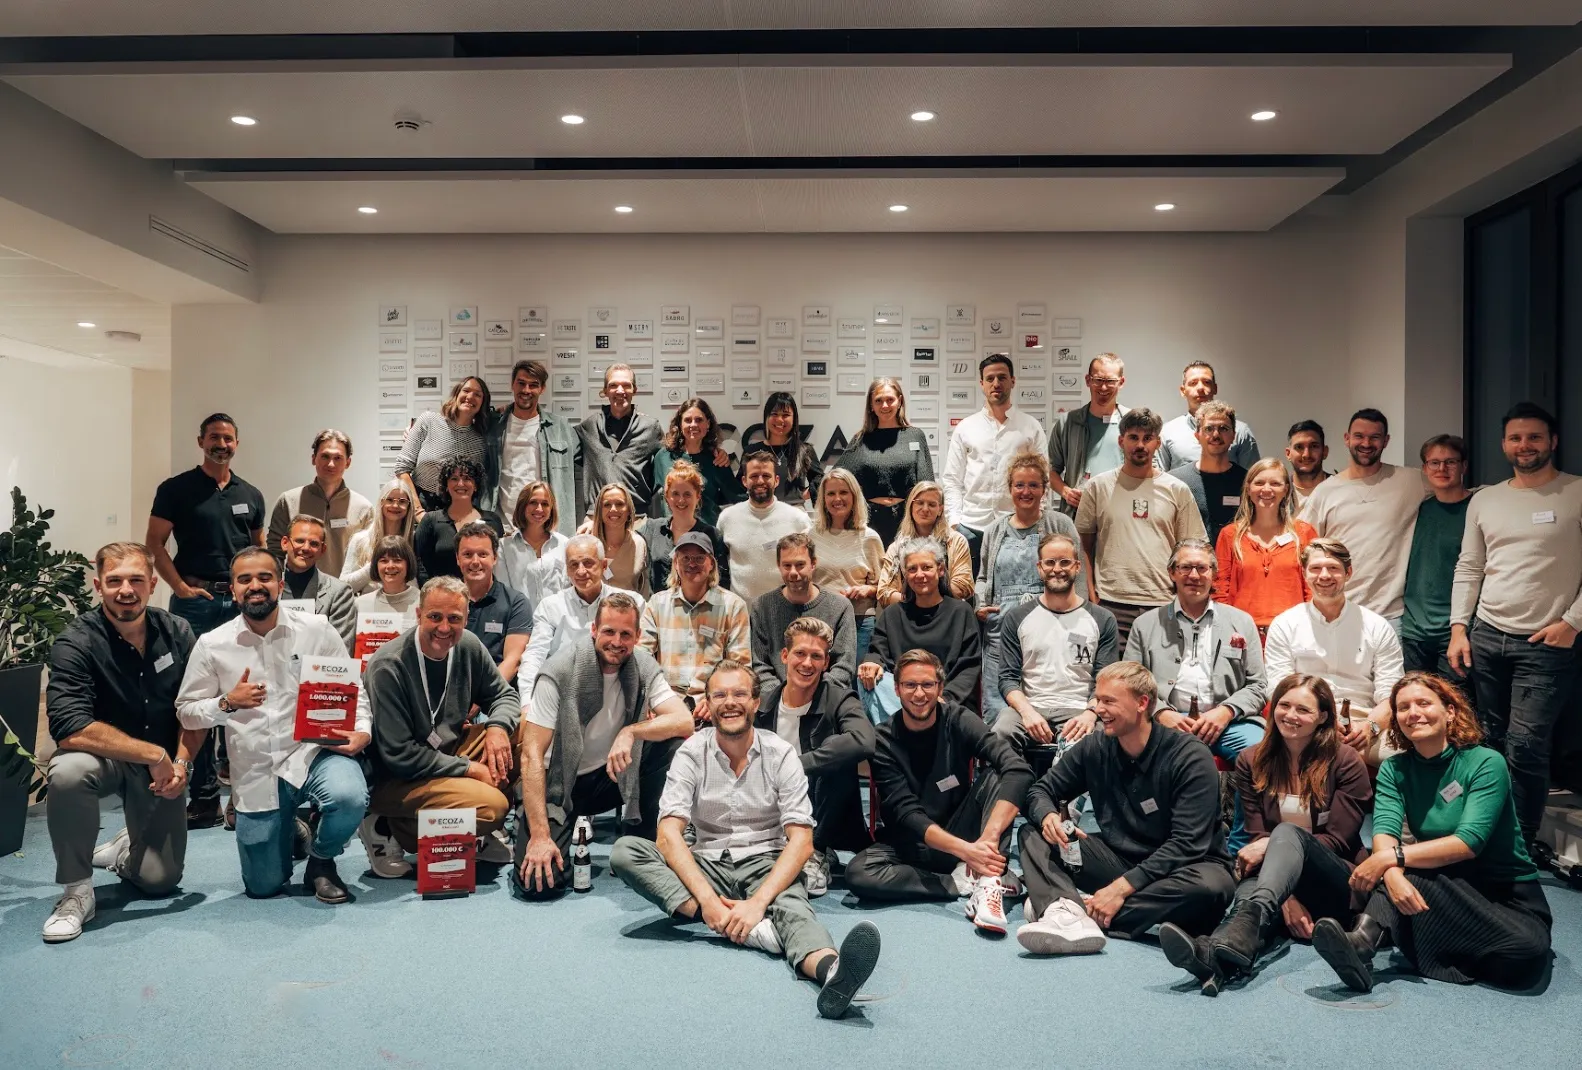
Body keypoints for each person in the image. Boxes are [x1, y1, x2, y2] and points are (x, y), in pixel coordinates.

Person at [609, 661, 882, 1020]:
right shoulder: (691, 753)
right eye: (719, 695)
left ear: (756, 702)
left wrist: (759, 902)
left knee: (794, 908)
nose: (730, 702)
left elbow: (800, 840)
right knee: (626, 851)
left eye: (739, 694)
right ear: (708, 703)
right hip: (707, 862)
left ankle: (833, 973)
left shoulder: (781, 754)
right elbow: (668, 834)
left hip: (766, 861)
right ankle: (750, 930)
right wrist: (709, 902)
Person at [1312, 673, 1551, 993]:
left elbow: (1469, 842)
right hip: (1440, 881)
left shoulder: (1484, 762)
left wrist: (1389, 859)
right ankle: (1362, 941)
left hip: (1505, 895)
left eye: (1424, 703)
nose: (1413, 712)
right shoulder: (1395, 769)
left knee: (1525, 956)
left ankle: (1410, 934)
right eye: (1403, 707)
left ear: (1450, 711)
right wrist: (1393, 872)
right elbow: (1384, 830)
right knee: (1407, 874)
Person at [175, 547, 370, 903]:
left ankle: (322, 861)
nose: (255, 585)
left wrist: (362, 730)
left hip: (313, 754)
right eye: (244, 579)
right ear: (232, 590)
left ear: (280, 584)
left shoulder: (316, 629)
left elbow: (350, 688)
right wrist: (227, 703)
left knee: (348, 796)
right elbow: (187, 712)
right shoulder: (212, 645)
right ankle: (291, 829)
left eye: (264, 577)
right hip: (258, 770)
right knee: (263, 886)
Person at [1158, 674, 1372, 991]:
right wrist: (1287, 897)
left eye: (1303, 709)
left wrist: (1277, 847)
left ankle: (1220, 943)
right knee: (1249, 901)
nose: (1290, 715)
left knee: (1283, 836)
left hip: (1335, 879)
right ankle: (1213, 957)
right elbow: (1257, 834)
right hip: (1275, 883)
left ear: (1323, 717)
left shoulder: (1346, 762)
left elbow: (1339, 840)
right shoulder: (1252, 760)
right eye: (1284, 705)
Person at [1016, 661, 1235, 955]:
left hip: (1184, 867)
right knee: (1033, 832)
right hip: (1118, 860)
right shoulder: (1095, 746)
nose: (1099, 709)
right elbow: (1040, 791)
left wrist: (1120, 889)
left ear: (1142, 703)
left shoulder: (1189, 756)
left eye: (1108, 701)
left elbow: (1187, 844)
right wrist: (1048, 815)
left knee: (1212, 888)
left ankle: (1072, 908)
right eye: (1096, 700)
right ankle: (1069, 910)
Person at [41, 543, 200, 943]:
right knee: (68, 770)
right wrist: (153, 753)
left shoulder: (178, 632)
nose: (125, 589)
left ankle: (126, 849)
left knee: (161, 881)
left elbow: (195, 709)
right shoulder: (75, 641)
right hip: (106, 760)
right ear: (98, 586)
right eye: (114, 581)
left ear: (152, 583)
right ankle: (77, 892)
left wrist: (181, 764)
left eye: (134, 580)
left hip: (160, 772)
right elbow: (67, 724)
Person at [1450, 402, 1582, 848]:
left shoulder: (1576, 492)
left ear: (1553, 442)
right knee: (1489, 741)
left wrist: (1573, 622)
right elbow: (1470, 566)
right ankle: (1485, 832)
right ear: (1504, 444)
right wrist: (1458, 628)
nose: (1524, 446)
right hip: (1487, 635)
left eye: (1534, 437)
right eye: (1515, 438)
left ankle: (1518, 848)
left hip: (1546, 642)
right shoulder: (1486, 498)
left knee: (1526, 747)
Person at [515, 592, 694, 899]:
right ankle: (533, 825)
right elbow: (531, 756)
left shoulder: (642, 664)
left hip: (608, 775)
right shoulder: (558, 671)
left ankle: (648, 839)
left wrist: (631, 732)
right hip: (557, 785)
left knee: (673, 747)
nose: (617, 641)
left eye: (626, 634)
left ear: (637, 637)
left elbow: (683, 721)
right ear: (594, 630)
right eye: (609, 631)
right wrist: (541, 836)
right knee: (540, 884)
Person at [845, 651, 1033, 935]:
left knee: (998, 774)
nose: (919, 694)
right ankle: (957, 884)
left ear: (940, 688)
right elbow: (908, 815)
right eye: (910, 685)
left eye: (927, 685)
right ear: (896, 689)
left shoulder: (958, 719)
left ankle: (988, 879)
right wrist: (967, 852)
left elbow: (1017, 768)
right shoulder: (883, 740)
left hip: (963, 829)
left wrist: (986, 841)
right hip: (911, 844)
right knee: (858, 873)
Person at [146, 412, 266, 827]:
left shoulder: (250, 494)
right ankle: (203, 797)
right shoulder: (176, 489)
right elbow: (154, 544)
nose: (222, 444)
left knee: (242, 697)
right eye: (214, 437)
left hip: (239, 606)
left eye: (229, 438)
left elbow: (257, 554)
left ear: (237, 443)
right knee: (196, 697)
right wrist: (178, 587)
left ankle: (241, 796)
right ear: (201, 441)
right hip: (194, 603)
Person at [360, 577, 523, 876]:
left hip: (445, 753)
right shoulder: (389, 665)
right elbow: (401, 756)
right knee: (492, 808)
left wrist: (497, 727)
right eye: (435, 616)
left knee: (523, 730)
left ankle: (461, 830)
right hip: (398, 778)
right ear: (419, 614)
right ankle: (387, 826)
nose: (445, 628)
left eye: (454, 619)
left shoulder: (468, 646)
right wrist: (471, 769)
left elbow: (504, 695)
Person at [1124, 538, 1268, 849]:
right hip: (1165, 724)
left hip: (1229, 723)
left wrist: (1225, 711)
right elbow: (1129, 683)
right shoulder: (1145, 624)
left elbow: (1258, 685)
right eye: (1185, 567)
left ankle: (1240, 847)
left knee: (1259, 754)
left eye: (1202, 568)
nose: (1194, 575)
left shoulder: (1240, 621)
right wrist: (1162, 713)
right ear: (1172, 573)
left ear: (1214, 574)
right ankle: (1162, 844)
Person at [755, 619, 875, 894]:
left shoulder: (840, 699)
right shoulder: (763, 704)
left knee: (840, 748)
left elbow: (864, 741)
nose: (807, 663)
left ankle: (815, 852)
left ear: (826, 663)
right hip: (774, 806)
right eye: (800, 653)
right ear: (784, 656)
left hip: (823, 808)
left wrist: (795, 765)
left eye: (816, 656)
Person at [1075, 407, 1207, 649]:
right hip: (1112, 603)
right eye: (1133, 437)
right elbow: (1083, 545)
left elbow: (1192, 549)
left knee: (1162, 682)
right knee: (1115, 682)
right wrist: (1090, 594)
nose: (1140, 445)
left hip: (1163, 602)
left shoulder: (1176, 490)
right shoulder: (1097, 487)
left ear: (1157, 442)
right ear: (1121, 440)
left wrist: (1183, 596)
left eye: (1148, 438)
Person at [1265, 539, 1404, 763]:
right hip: (1303, 719)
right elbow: (1278, 687)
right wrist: (1318, 722)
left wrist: (1371, 727)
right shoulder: (1285, 624)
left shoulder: (1377, 626)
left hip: (1364, 721)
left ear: (1348, 573)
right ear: (1304, 573)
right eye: (1316, 568)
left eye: (1333, 568)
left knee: (1412, 758)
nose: (1325, 576)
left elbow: (1392, 694)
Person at [974, 453, 1083, 727]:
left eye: (1033, 485)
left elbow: (1075, 572)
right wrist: (980, 602)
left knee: (1044, 704)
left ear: (1044, 489)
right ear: (1010, 488)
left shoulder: (1060, 524)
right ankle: (999, 768)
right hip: (1001, 628)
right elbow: (984, 576)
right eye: (1019, 485)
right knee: (998, 712)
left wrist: (1078, 613)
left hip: (1049, 624)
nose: (1026, 492)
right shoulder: (994, 530)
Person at [1299, 408, 1428, 624]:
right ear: (1347, 439)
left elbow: (1455, 490)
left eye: (1374, 437)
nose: (1366, 444)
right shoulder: (1325, 491)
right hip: (1335, 612)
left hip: (1390, 615)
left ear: (1386, 441)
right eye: (1359, 436)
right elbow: (1303, 547)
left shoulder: (1411, 481)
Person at [996, 532, 1119, 750]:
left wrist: (1090, 714)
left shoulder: (1102, 619)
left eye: (1065, 562)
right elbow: (1007, 678)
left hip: (1080, 708)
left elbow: (1105, 681)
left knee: (1095, 742)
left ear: (1077, 567)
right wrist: (1027, 712)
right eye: (1050, 562)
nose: (1057, 569)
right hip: (1030, 706)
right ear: (1039, 567)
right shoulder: (1017, 617)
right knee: (1001, 733)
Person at [941, 354, 1048, 572]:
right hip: (971, 528)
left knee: (1015, 594)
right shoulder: (966, 427)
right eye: (990, 379)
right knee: (970, 597)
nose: (996, 384)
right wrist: (954, 523)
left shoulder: (1030, 427)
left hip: (1018, 527)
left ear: (1013, 381)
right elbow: (952, 479)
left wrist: (1039, 521)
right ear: (982, 384)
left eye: (1002, 377)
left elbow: (1042, 479)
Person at [859, 539, 981, 723]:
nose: (920, 574)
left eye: (926, 567)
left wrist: (944, 698)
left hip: (946, 701)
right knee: (867, 678)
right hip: (902, 700)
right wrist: (872, 663)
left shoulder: (961, 612)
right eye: (912, 569)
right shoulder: (893, 614)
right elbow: (877, 652)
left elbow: (969, 667)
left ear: (940, 570)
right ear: (905, 574)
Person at [516, 534, 645, 707]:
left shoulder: (632, 603)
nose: (581, 571)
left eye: (588, 563)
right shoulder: (550, 607)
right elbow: (534, 656)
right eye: (574, 565)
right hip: (563, 697)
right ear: (567, 570)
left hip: (617, 697)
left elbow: (642, 656)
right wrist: (527, 703)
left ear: (604, 565)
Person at [639, 531, 751, 720]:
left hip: (714, 708)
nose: (692, 564)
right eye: (685, 558)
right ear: (675, 563)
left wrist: (717, 699)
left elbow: (740, 667)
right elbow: (641, 659)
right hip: (665, 706)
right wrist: (649, 700)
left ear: (711, 564)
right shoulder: (656, 605)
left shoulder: (733, 606)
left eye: (699, 558)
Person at [1213, 458, 1317, 637]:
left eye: (1275, 483)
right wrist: (1227, 629)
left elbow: (1312, 589)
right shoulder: (1230, 535)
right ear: (1248, 488)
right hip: (1243, 635)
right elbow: (1220, 589)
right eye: (1259, 482)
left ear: (1286, 489)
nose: (1266, 489)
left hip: (1294, 635)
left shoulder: (1304, 533)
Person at [1400, 434, 1473, 677]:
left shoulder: (1477, 508)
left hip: (1456, 631)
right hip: (1413, 630)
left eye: (1450, 462)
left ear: (1463, 466)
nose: (1442, 468)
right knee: (1415, 705)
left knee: (1456, 707)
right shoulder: (1418, 508)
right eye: (1434, 462)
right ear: (1425, 468)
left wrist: (1461, 629)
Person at [750, 532, 857, 694]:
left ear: (813, 564)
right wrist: (783, 697)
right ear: (778, 565)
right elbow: (759, 665)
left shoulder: (840, 607)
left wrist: (812, 696)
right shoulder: (762, 607)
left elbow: (843, 667)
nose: (793, 572)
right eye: (787, 565)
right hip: (776, 701)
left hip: (825, 700)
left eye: (800, 565)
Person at [835, 377, 933, 546]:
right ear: (871, 405)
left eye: (890, 400)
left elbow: (927, 483)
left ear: (900, 401)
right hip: (869, 523)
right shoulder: (861, 439)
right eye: (878, 401)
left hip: (907, 523)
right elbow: (837, 478)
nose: (885, 406)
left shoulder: (915, 435)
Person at [487, 359, 580, 535]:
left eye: (533, 385)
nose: (526, 390)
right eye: (521, 383)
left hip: (546, 532)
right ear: (512, 385)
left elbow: (583, 469)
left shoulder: (561, 428)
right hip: (502, 529)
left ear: (542, 389)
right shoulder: (493, 426)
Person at [266, 429, 372, 578]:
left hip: (345, 593)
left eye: (338, 458)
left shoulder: (363, 508)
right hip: (298, 595)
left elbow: (366, 559)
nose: (330, 464)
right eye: (325, 456)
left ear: (348, 462)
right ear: (313, 459)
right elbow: (275, 552)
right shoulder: (288, 501)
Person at [808, 467, 884, 661]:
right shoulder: (811, 536)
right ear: (823, 499)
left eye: (843, 492)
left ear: (854, 496)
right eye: (831, 493)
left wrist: (866, 590)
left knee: (855, 683)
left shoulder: (870, 538)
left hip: (859, 620)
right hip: (819, 619)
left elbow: (885, 587)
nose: (837, 499)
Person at [717, 448, 811, 603]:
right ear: (744, 481)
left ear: (776, 480)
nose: (760, 481)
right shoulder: (727, 518)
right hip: (741, 617)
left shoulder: (797, 519)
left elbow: (810, 568)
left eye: (766, 476)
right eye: (754, 476)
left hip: (786, 615)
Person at [575, 363, 663, 520]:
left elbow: (674, 454)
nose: (620, 391)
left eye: (626, 385)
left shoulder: (650, 428)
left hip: (636, 517)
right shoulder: (589, 427)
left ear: (634, 390)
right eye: (613, 385)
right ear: (605, 391)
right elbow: (561, 448)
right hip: (596, 518)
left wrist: (714, 452)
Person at [1046, 353, 1130, 517]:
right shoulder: (1067, 423)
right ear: (1087, 380)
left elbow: (1148, 469)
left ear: (1121, 382)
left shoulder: (1132, 424)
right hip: (1077, 513)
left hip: (1121, 514)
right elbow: (1049, 469)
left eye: (1110, 381)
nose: (1103, 388)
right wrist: (1065, 492)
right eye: (1098, 380)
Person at [395, 376, 494, 513]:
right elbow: (401, 469)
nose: (470, 397)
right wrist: (418, 511)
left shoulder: (481, 439)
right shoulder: (429, 421)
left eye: (477, 394)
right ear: (456, 394)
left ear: (483, 402)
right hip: (420, 503)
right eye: (466, 391)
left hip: (459, 510)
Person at [643, 460, 733, 596]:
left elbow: (722, 581)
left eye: (687, 494)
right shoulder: (652, 529)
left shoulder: (712, 535)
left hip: (701, 612)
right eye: (675, 494)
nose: (681, 500)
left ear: (698, 496)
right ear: (666, 497)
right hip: (660, 612)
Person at [456, 521, 532, 682]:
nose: (475, 561)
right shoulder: (446, 601)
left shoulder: (516, 603)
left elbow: (513, 661)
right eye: (467, 554)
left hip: (496, 696)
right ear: (457, 559)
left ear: (495, 558)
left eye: (482, 554)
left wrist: (480, 699)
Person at [877, 481, 974, 607]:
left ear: (940, 510)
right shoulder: (896, 548)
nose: (925, 509)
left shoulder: (956, 541)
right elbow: (884, 593)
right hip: (908, 615)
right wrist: (916, 601)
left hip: (948, 612)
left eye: (932, 504)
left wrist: (927, 597)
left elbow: (964, 585)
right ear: (911, 506)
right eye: (920, 503)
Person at [1166, 400, 1248, 548]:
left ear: (1233, 436)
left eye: (1223, 428)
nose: (1216, 434)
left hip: (1234, 567)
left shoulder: (1247, 482)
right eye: (1209, 429)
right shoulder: (1176, 481)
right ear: (1197, 435)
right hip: (1190, 568)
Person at [649, 398, 743, 525]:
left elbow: (737, 497)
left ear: (708, 424)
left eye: (699, 420)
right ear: (680, 424)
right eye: (688, 420)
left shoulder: (717, 459)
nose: (693, 425)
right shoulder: (663, 457)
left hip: (707, 536)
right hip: (672, 534)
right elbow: (655, 498)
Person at [413, 457, 505, 584]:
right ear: (446, 485)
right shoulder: (431, 521)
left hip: (483, 597)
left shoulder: (492, 521)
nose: (460, 484)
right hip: (443, 597)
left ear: (476, 485)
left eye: (467, 478)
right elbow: (420, 564)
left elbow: (498, 564)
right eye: (454, 479)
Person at [1158, 361, 1261, 471]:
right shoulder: (1167, 432)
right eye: (1193, 383)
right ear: (1183, 391)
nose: (1200, 388)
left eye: (1206, 382)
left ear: (1215, 388)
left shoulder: (1241, 432)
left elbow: (1252, 479)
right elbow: (1160, 480)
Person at [278, 514, 358, 650]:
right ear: (285, 543)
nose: (306, 548)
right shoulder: (267, 589)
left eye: (314, 543)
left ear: (323, 550)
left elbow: (340, 651)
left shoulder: (339, 593)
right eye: (299, 541)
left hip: (316, 670)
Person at [494, 481, 569, 610]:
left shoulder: (564, 544)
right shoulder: (504, 547)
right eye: (533, 502)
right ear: (523, 506)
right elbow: (503, 592)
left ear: (551, 509)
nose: (539, 509)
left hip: (559, 621)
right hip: (521, 622)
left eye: (545, 504)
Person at [340, 479, 419, 595]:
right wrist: (373, 567)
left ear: (409, 506)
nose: (395, 505)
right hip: (369, 610)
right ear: (381, 502)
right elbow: (344, 586)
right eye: (390, 500)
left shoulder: (415, 540)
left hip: (406, 609)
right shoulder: (360, 540)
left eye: (402, 501)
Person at [758, 390, 823, 505]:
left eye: (785, 415)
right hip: (760, 513)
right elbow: (740, 487)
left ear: (794, 418)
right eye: (774, 414)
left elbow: (820, 479)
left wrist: (800, 495)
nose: (779, 419)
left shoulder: (804, 450)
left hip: (794, 512)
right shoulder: (753, 451)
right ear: (766, 417)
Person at [589, 482, 649, 595]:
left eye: (619, 504)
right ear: (599, 510)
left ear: (629, 511)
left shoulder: (638, 543)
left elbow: (643, 587)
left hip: (628, 609)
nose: (613, 509)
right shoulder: (588, 544)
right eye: (607, 505)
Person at [353, 535, 421, 629]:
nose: (390, 566)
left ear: (408, 564)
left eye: (397, 560)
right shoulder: (360, 604)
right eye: (384, 561)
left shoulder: (423, 602)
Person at [1285, 420, 1331, 512]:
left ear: (1325, 452)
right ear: (1288, 454)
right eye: (1299, 447)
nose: (1306, 455)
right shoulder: (1278, 493)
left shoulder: (1341, 490)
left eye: (1314, 446)